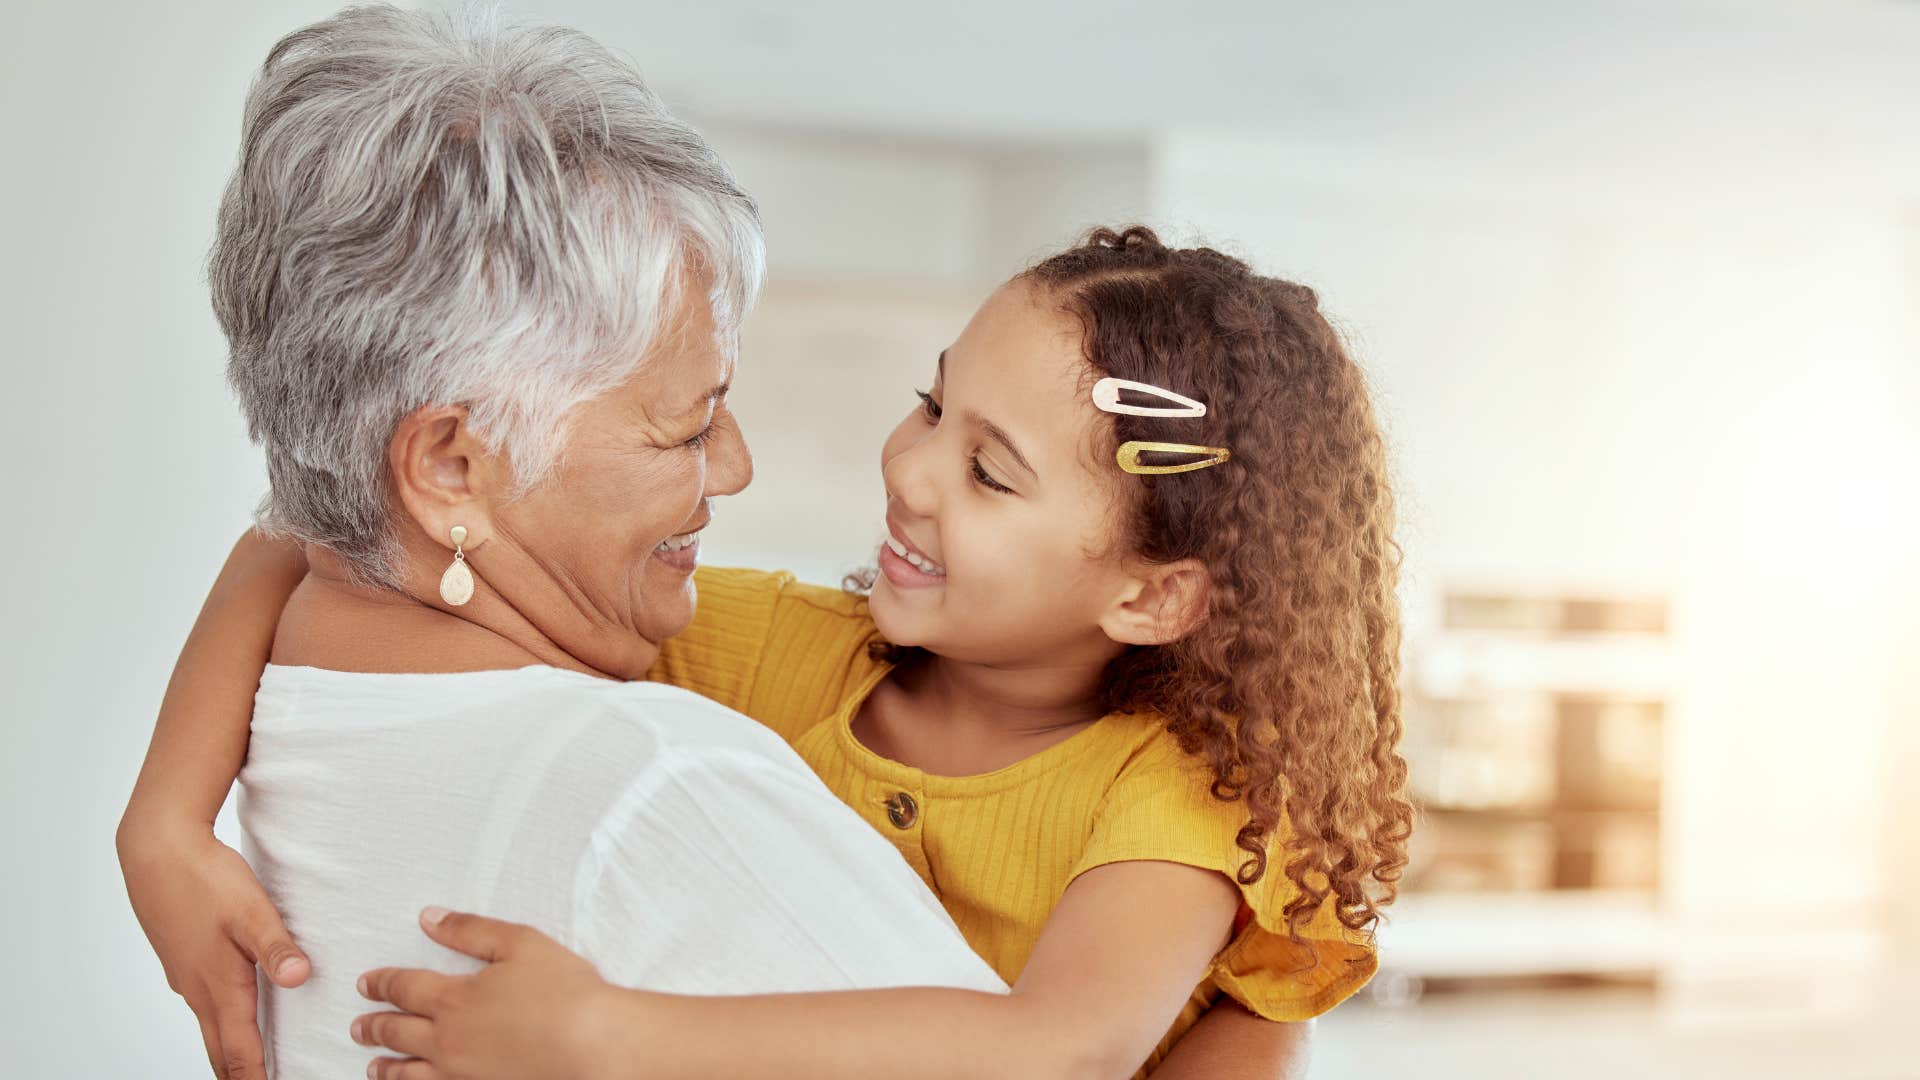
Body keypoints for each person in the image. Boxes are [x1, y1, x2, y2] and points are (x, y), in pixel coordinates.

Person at [140, 219, 1410, 1078]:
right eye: (931, 402)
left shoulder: (1182, 793)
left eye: (987, 471)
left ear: (1150, 596)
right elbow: (337, 516)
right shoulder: (785, 653)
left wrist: (605, 1032)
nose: (908, 469)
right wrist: (165, 822)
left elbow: (1057, 1049)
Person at [112, 7, 1012, 1079]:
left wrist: (165, 805)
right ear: (452, 466)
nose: (732, 467)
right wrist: (1264, 998)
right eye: (688, 423)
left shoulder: (290, 713)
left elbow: (301, 517)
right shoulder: (659, 790)